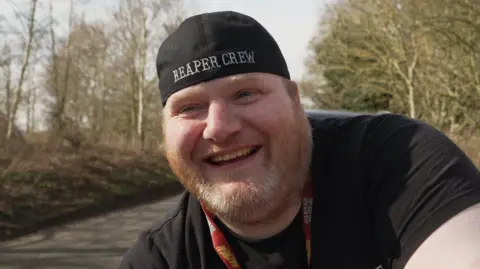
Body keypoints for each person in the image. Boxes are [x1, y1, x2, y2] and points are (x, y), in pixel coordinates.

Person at [118, 11, 480, 269]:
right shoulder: (161, 257)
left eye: (245, 94)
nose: (219, 127)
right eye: (189, 107)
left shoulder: (399, 160)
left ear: (295, 100)